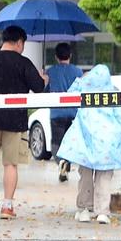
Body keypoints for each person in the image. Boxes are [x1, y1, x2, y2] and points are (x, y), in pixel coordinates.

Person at [57, 64, 121, 223]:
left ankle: (85, 209)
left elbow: (68, 96)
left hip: (85, 142)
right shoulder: (111, 91)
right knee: (104, 177)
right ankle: (102, 212)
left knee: (85, 175)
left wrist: (80, 80)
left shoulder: (83, 89)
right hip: (108, 145)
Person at [0, 25, 45, 219]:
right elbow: (38, 88)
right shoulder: (23, 63)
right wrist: (43, 79)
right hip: (15, 122)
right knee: (10, 164)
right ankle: (7, 206)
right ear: (19, 42)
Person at [45, 42, 83, 182]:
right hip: (73, 113)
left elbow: (45, 90)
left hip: (57, 113)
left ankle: (61, 162)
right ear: (70, 56)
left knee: (56, 143)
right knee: (70, 143)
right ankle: (65, 167)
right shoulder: (78, 72)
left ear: (56, 57)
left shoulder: (50, 71)